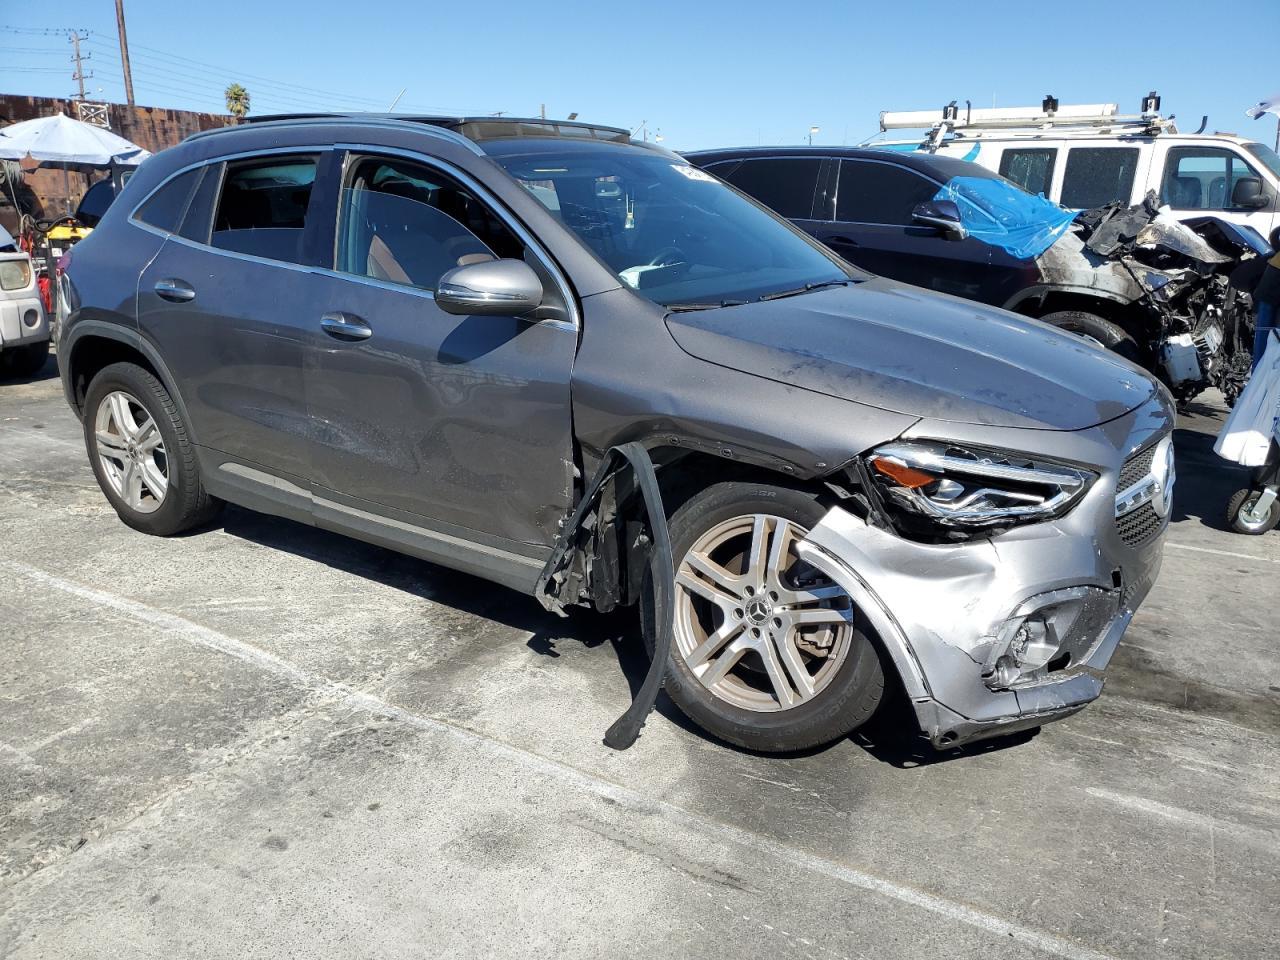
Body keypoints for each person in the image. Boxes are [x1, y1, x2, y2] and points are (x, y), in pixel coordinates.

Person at [1253, 249, 1280, 371]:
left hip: (1273, 271)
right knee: (1270, 338)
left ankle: (1257, 378)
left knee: (1267, 336)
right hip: (1274, 277)